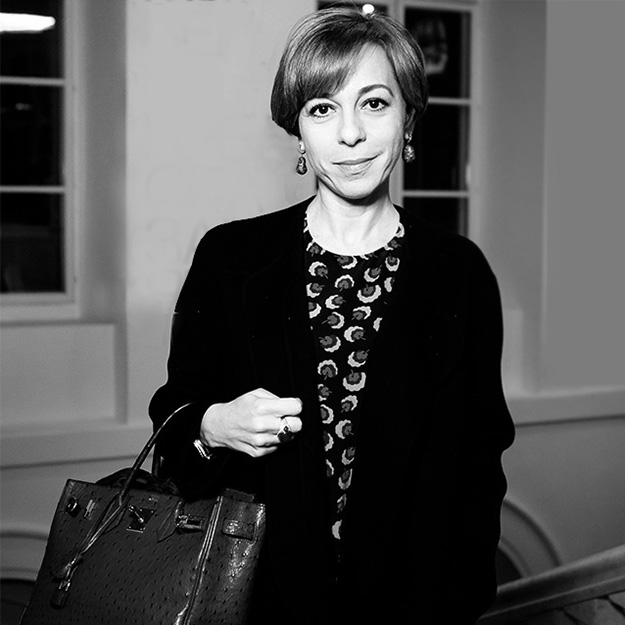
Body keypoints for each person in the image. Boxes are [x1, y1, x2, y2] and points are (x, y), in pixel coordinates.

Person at [149, 6, 514, 624]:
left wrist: (457, 600)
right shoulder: (230, 259)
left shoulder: (460, 273)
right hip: (258, 602)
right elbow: (174, 416)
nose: (350, 134)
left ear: (408, 118)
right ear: (298, 129)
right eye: (322, 108)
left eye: (374, 104)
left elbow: (481, 458)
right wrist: (213, 425)